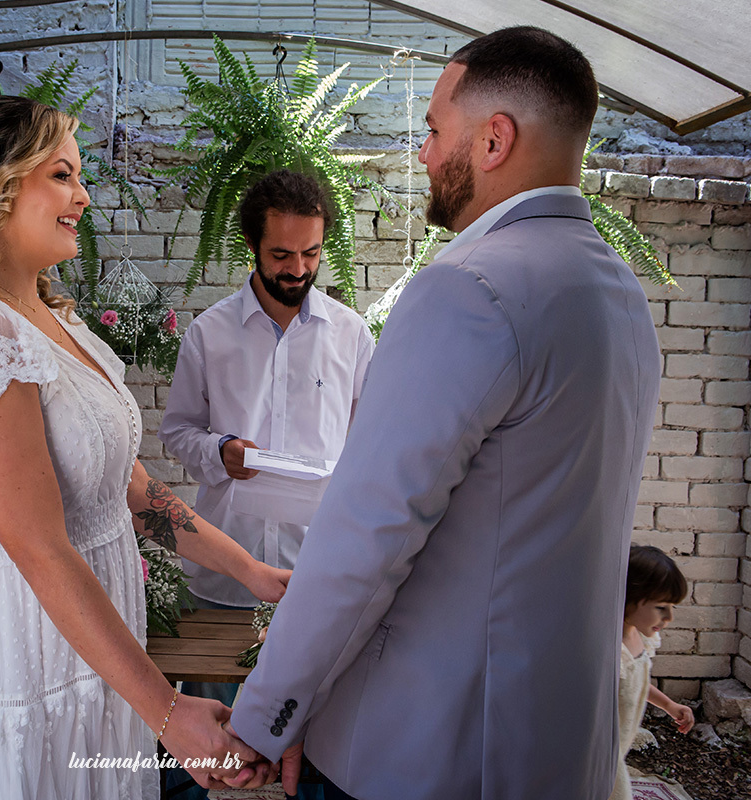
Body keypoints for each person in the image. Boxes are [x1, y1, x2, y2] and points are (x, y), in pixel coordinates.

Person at [225, 26, 664, 800]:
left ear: (494, 139)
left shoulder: (471, 289)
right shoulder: (620, 293)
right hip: (560, 746)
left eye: (434, 130)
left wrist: (266, 716)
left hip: (430, 746)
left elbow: (369, 532)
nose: (423, 154)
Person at [0, 95, 289, 799]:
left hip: (94, 660)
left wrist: (255, 574)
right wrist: (170, 710)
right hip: (13, 666)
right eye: (61, 175)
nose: (83, 197)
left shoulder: (58, 323)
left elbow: (128, 490)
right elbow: (39, 546)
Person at [157, 169, 373, 799]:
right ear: (253, 245)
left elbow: (370, 448)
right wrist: (219, 451)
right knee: (206, 751)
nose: (298, 267)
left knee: (318, 748)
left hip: (318, 572)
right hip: (226, 566)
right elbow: (176, 434)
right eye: (281, 254)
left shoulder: (352, 337)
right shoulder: (210, 333)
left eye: (310, 252)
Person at [612, 545, 694, 800]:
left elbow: (635, 683)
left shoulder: (640, 639)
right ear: (630, 599)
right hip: (604, 753)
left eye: (672, 607)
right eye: (661, 607)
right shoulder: (610, 650)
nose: (669, 617)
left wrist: (668, 704)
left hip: (621, 749)